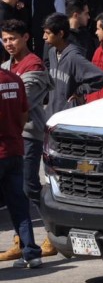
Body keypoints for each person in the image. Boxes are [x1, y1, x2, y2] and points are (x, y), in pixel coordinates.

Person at [0, 19, 56, 260]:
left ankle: (51, 235)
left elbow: (22, 103)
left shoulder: (34, 65)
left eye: (13, 38)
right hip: (12, 136)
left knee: (30, 188)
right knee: (16, 193)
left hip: (27, 135)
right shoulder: (7, 66)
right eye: (5, 39)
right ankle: (21, 242)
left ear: (25, 37)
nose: (9, 43)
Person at [0, 64, 43, 269]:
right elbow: (24, 115)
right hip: (15, 149)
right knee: (19, 205)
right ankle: (31, 253)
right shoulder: (15, 80)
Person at [42, 13, 103, 117]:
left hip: (67, 116)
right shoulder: (51, 52)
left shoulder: (74, 57)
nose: (44, 37)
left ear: (60, 34)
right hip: (52, 115)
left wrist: (79, 91)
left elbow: (101, 77)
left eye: (47, 33)